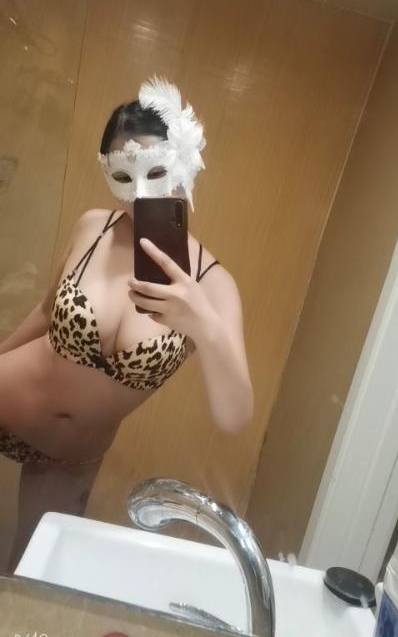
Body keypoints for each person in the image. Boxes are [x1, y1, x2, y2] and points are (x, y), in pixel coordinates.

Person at [0, 75, 254, 571]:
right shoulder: (93, 227)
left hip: (69, 460)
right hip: (9, 397)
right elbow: (48, 312)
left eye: (155, 171)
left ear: (186, 164)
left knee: (28, 573)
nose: (138, 193)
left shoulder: (214, 286)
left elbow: (234, 416)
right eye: (122, 175)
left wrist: (201, 322)